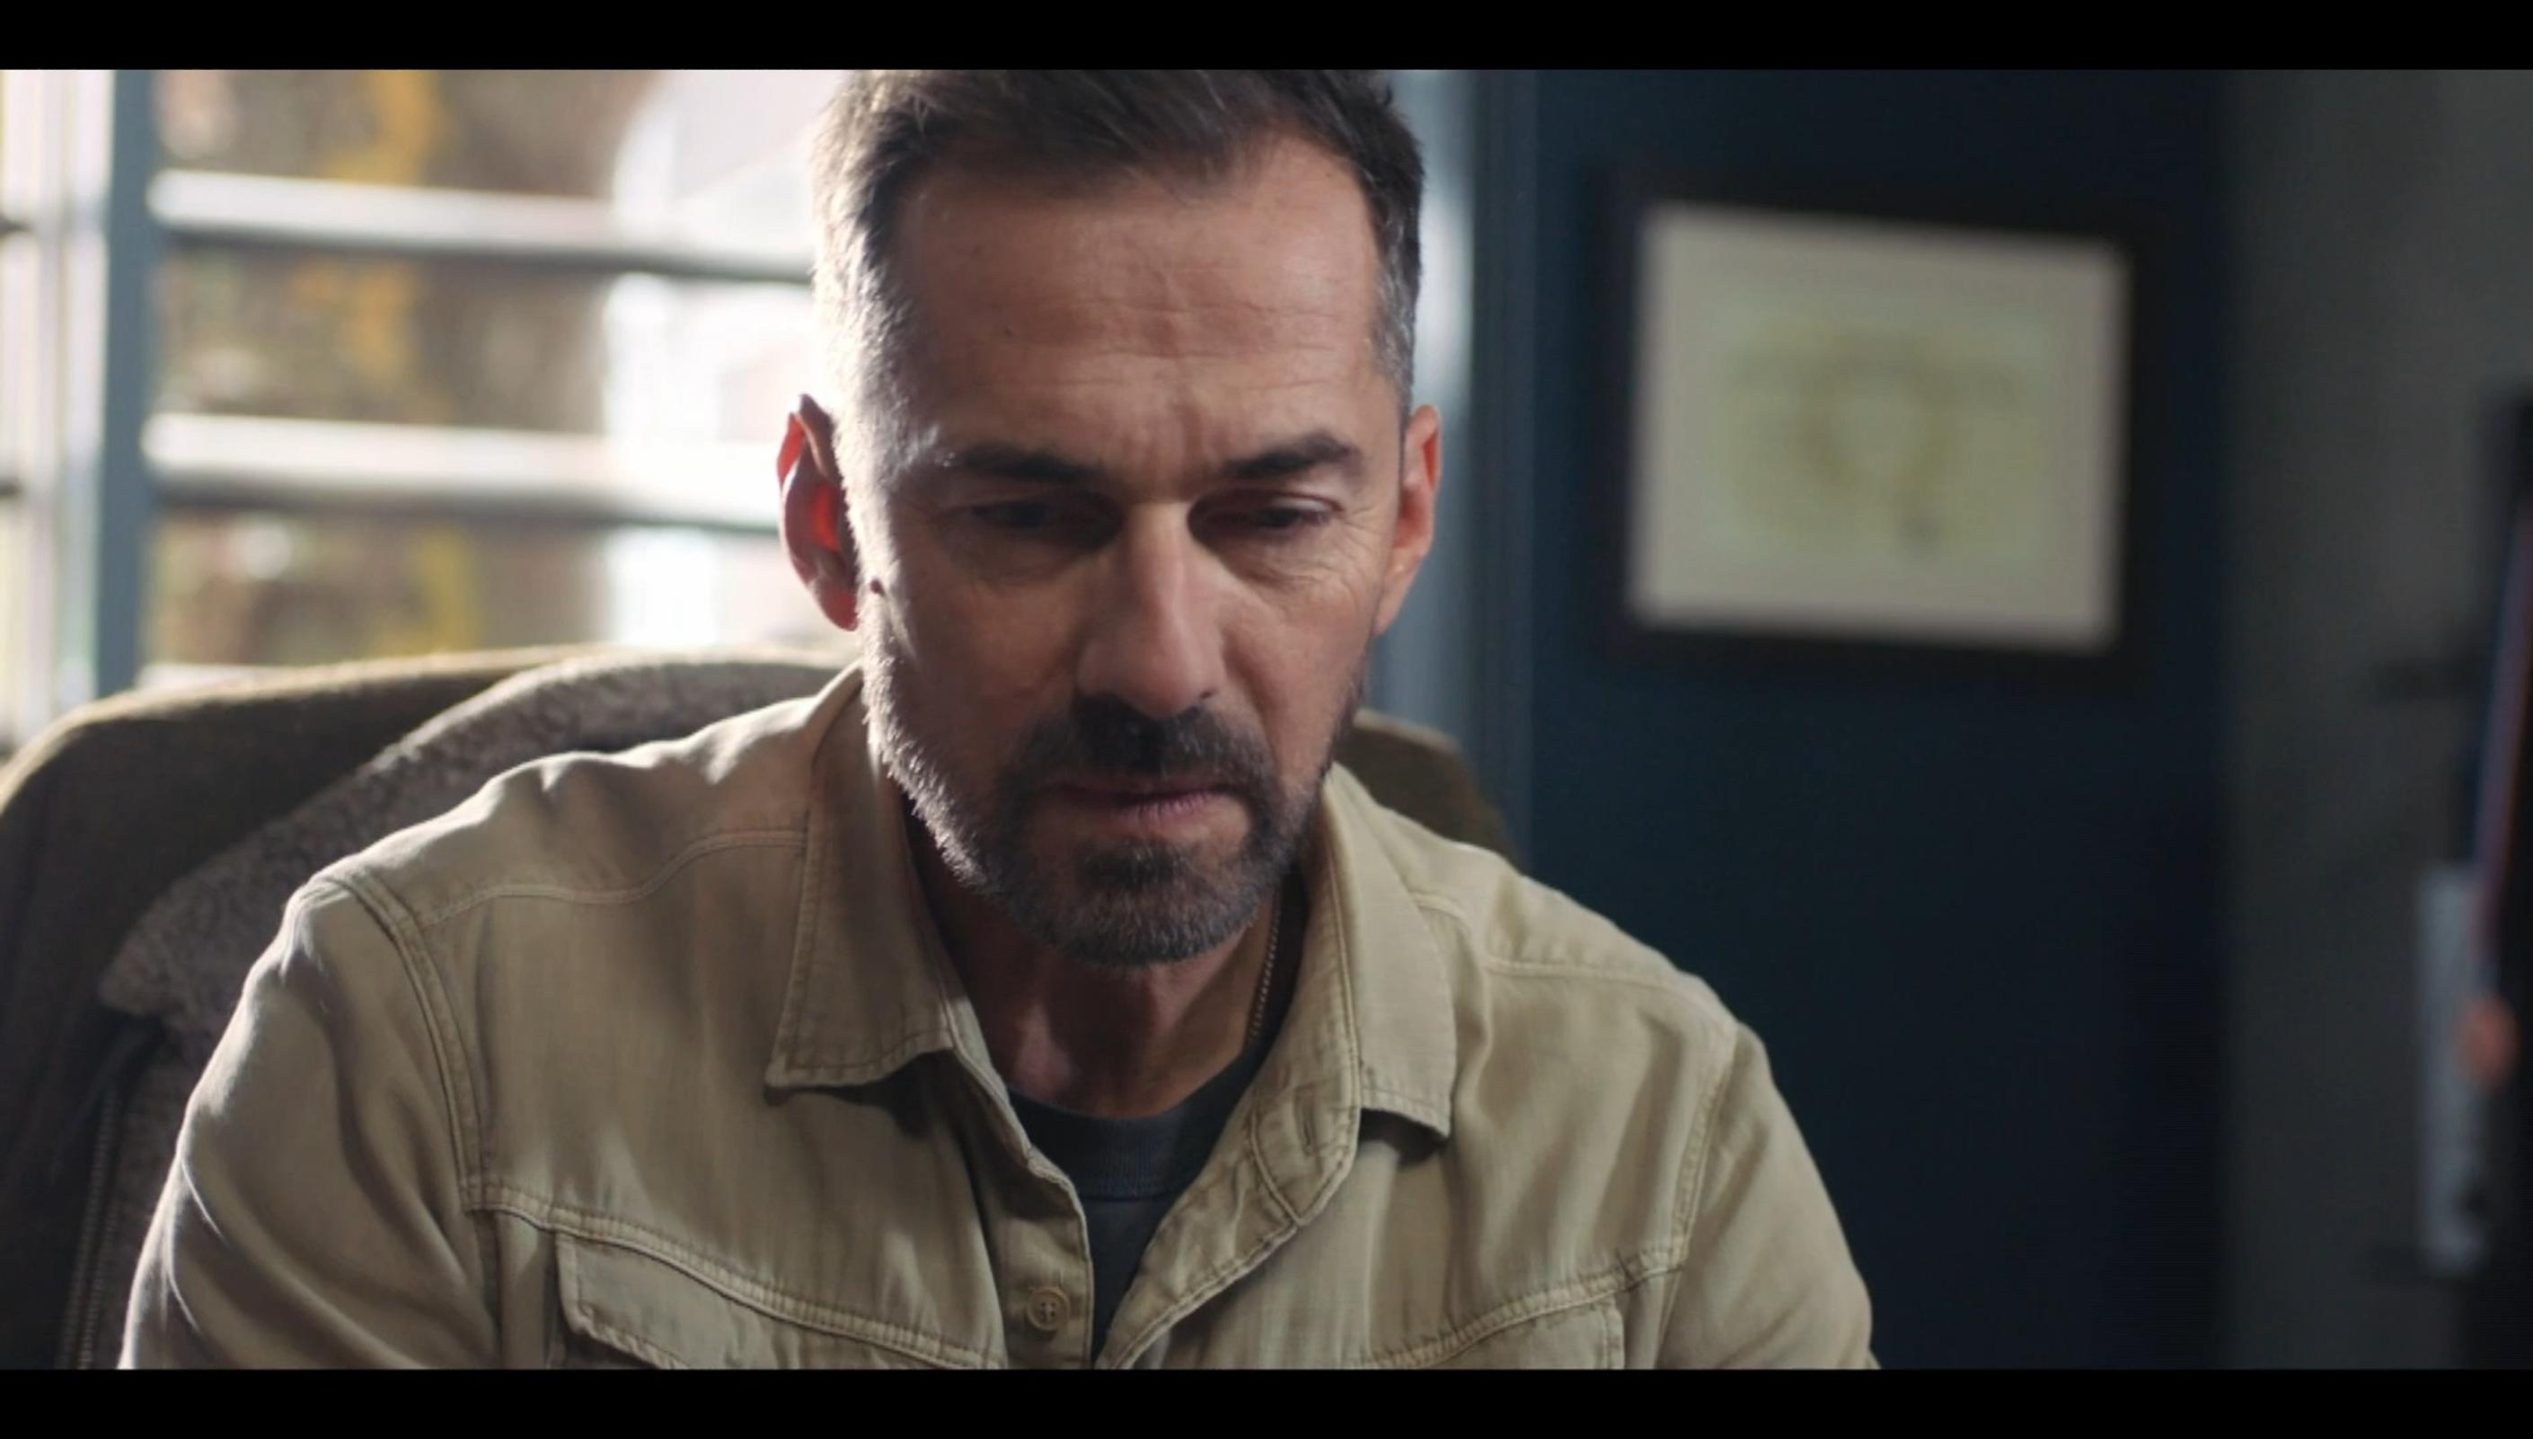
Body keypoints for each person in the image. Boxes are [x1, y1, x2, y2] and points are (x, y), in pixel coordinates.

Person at [121, 70, 1875, 1369]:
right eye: (1031, 517)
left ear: (1405, 517)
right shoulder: (426, 1036)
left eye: (1273, 517)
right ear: (830, 523)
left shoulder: (1661, 1146)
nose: (1158, 666)